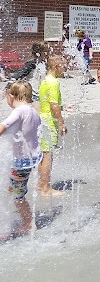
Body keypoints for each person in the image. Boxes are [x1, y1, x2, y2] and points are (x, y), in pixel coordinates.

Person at [0, 81, 43, 236]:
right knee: (14, 191)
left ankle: (29, 225)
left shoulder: (19, 111)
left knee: (17, 196)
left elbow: (3, 127)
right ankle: (27, 222)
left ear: (11, 96)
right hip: (30, 159)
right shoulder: (32, 111)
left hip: (22, 162)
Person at [38, 55, 66, 195]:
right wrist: (61, 122)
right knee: (48, 155)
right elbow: (54, 105)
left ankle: (41, 184)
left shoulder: (45, 81)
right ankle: (46, 188)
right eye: (63, 66)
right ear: (56, 66)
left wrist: (64, 106)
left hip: (43, 119)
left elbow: (46, 102)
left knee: (43, 155)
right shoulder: (54, 82)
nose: (64, 69)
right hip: (50, 122)